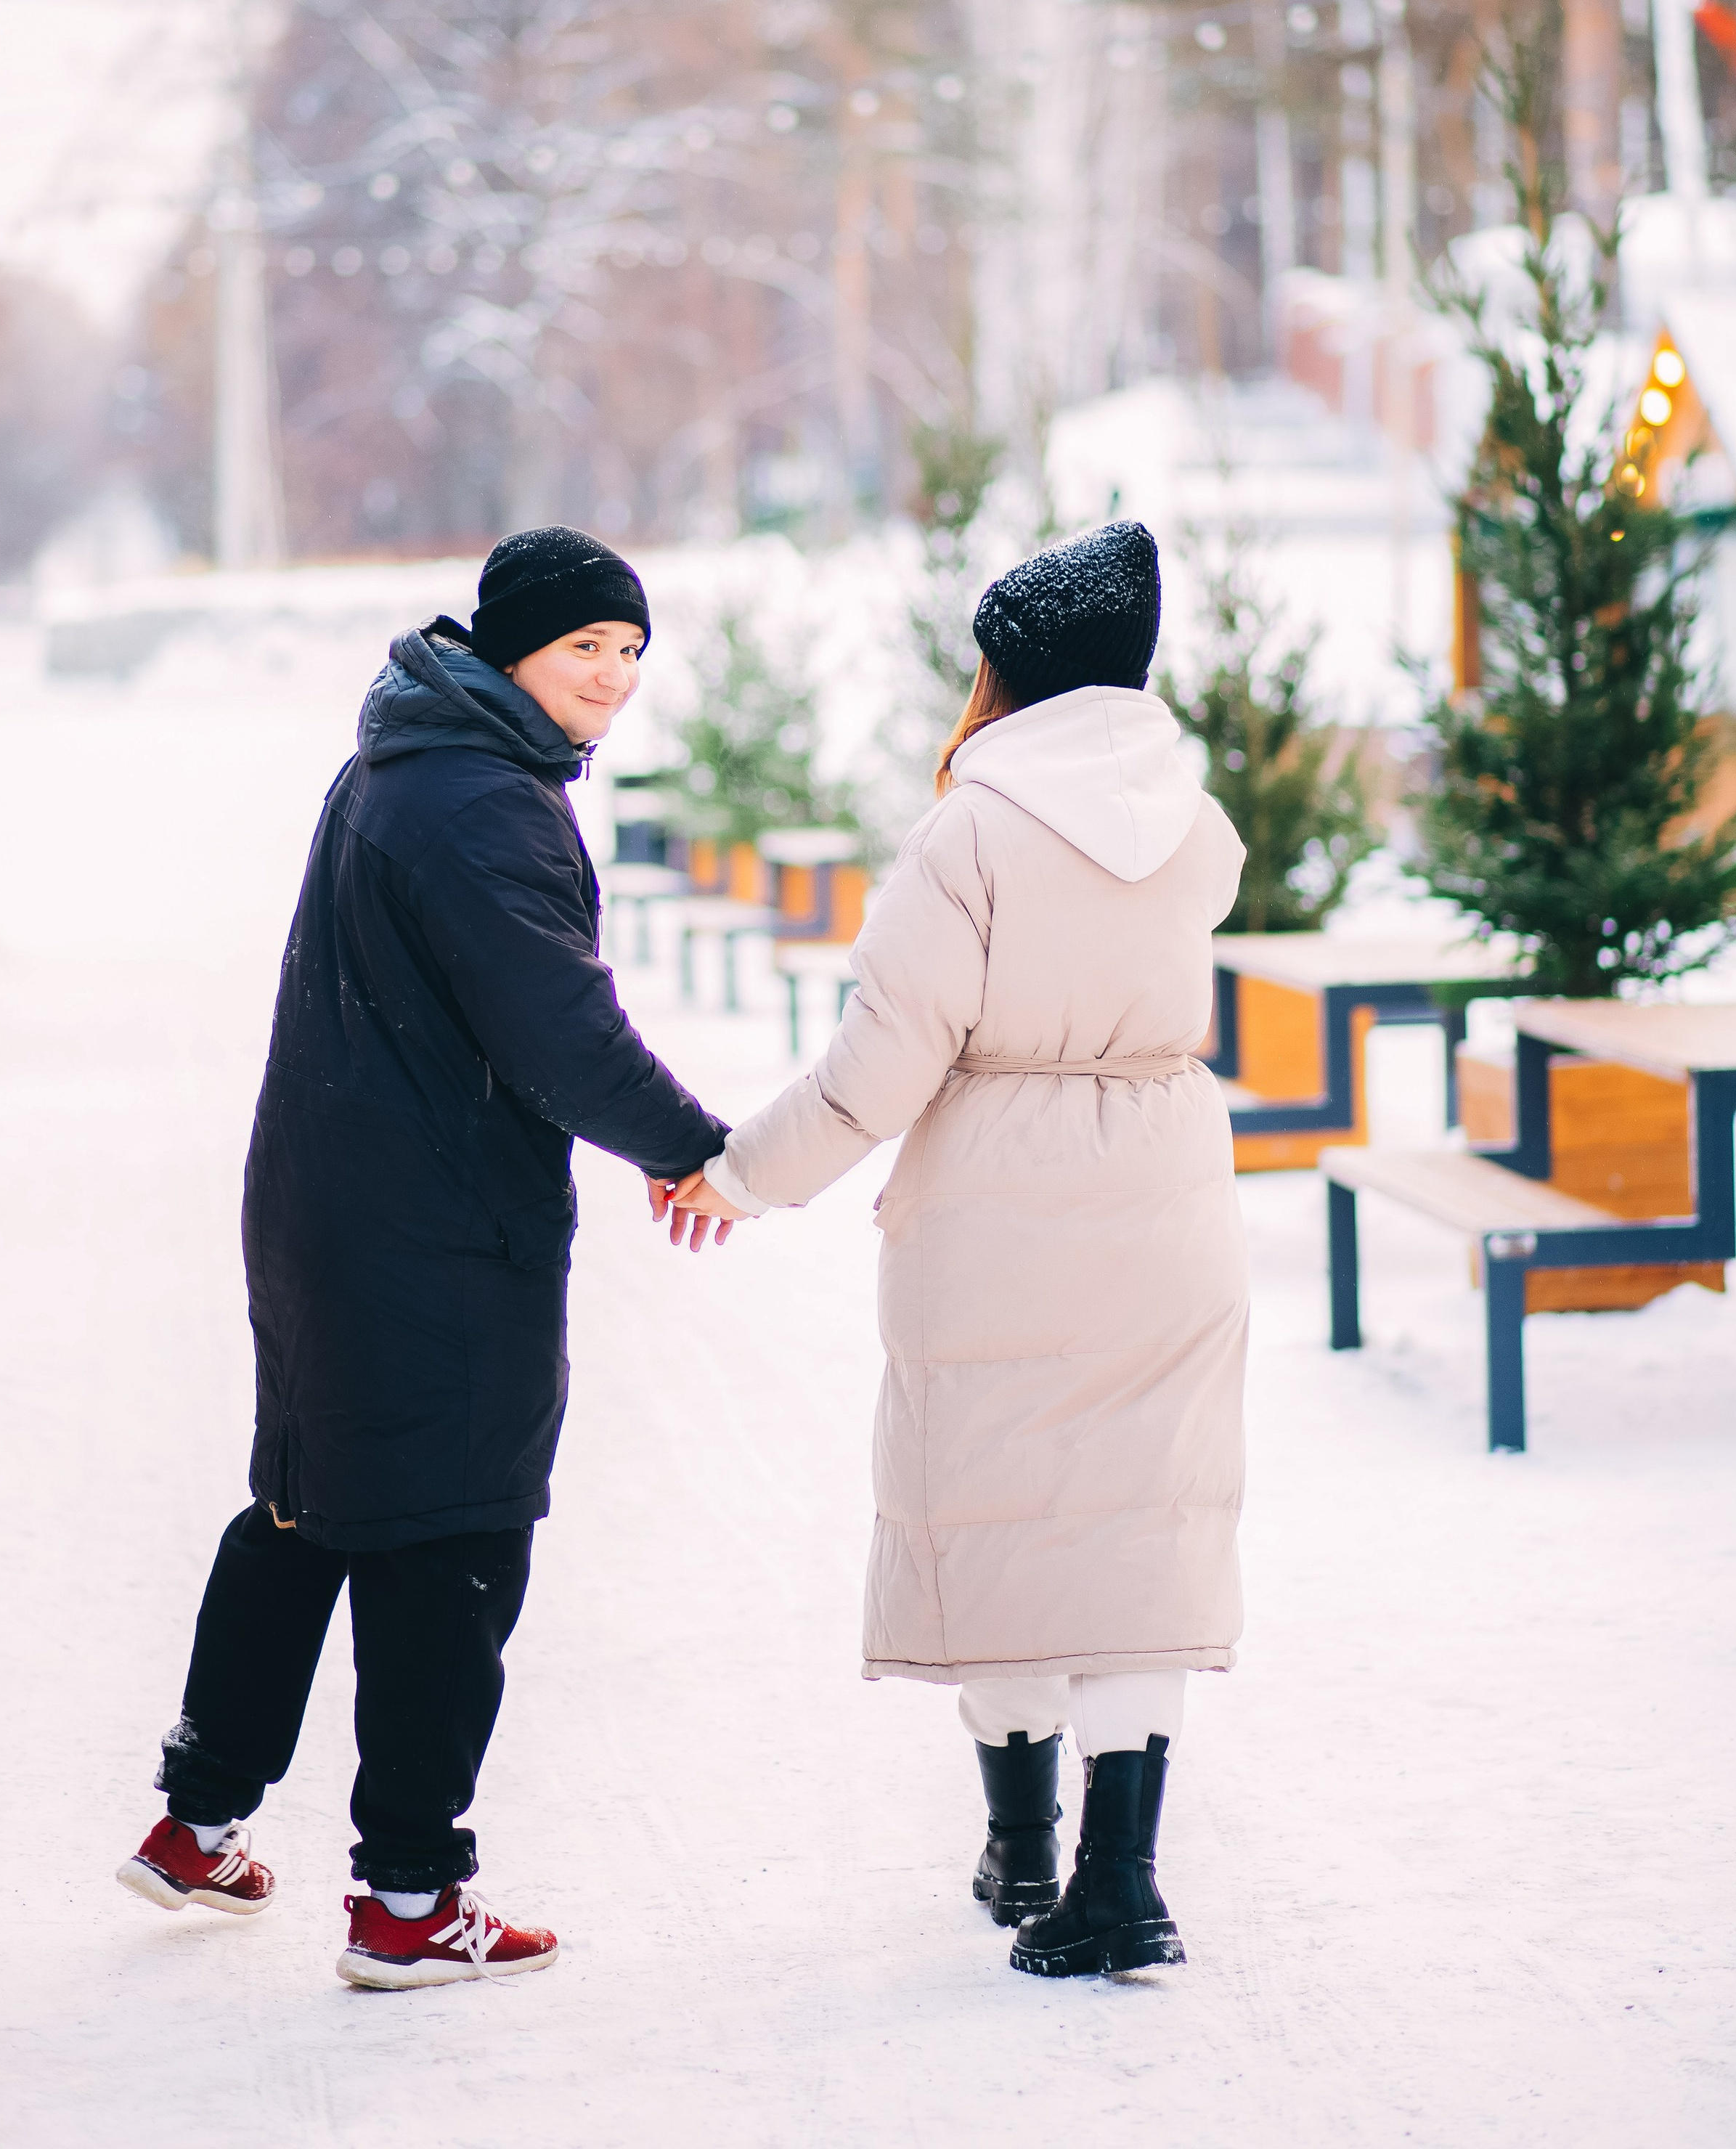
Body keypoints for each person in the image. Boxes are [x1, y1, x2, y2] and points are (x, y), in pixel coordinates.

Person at [116, 528, 730, 1991]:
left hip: (332, 1203)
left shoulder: (409, 758)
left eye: (631, 652)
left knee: (313, 1505)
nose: (612, 678)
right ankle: (407, 1899)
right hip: (430, 1226)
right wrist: (690, 1145)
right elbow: (556, 1026)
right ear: (510, 648)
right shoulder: (479, 802)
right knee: (451, 1535)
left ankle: (197, 1820)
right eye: (584, 647)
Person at [664, 520, 1248, 1979]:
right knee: (1138, 1521)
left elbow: (880, 1066)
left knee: (995, 1514)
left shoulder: (970, 828)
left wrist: (739, 1176)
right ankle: (1120, 1879)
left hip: (998, 1199)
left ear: (1011, 671)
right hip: (1168, 1185)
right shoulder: (1195, 815)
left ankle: (1020, 1843)